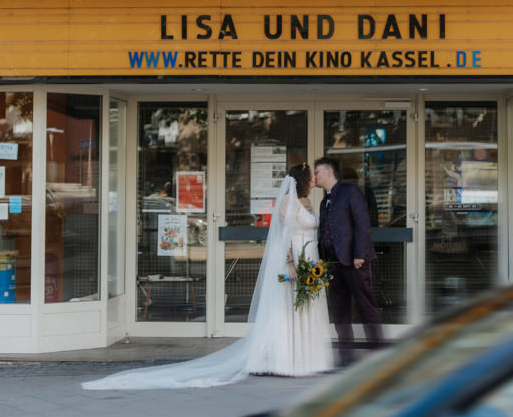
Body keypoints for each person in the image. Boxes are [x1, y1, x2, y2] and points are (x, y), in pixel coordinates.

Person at [83, 164, 333, 390]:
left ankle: (304, 358)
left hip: (309, 258)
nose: (314, 179)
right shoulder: (287, 202)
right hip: (294, 260)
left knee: (304, 308)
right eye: (311, 176)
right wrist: (290, 262)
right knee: (287, 309)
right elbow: (284, 234)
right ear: (302, 178)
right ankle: (283, 360)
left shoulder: (306, 202)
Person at [315, 154, 385, 367]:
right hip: (333, 263)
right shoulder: (323, 200)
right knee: (340, 311)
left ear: (328, 172)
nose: (314, 176)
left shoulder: (350, 192)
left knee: (366, 307)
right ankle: (346, 357)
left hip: (355, 261)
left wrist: (359, 254)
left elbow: (363, 224)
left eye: (317, 171)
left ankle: (380, 356)